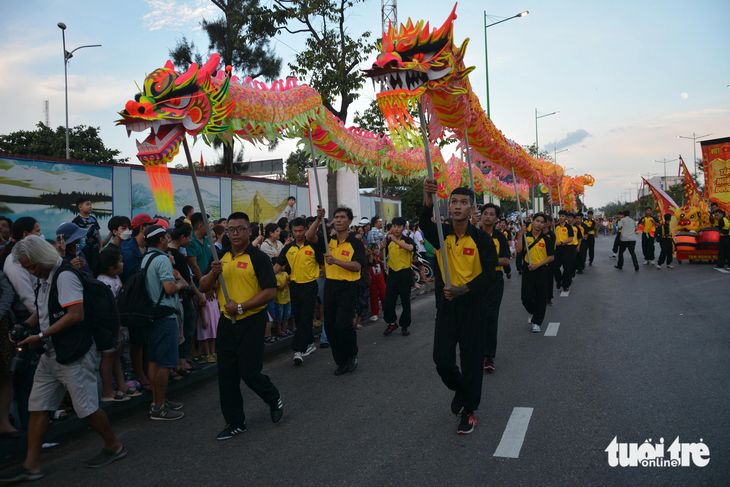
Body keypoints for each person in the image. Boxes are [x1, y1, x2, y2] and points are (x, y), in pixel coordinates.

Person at [1, 236, 126, 482]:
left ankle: (114, 446)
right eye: (26, 267)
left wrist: (40, 335)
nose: (30, 271)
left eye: (31, 265)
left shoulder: (65, 275)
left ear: (41, 258)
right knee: (38, 407)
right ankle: (32, 464)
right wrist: (25, 326)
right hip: (52, 352)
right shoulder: (47, 276)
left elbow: (75, 315)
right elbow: (43, 308)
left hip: (72, 352)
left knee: (87, 408)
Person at [421, 180, 497, 435]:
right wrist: (428, 197)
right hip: (447, 306)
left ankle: (469, 411)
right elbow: (423, 224)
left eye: (464, 202)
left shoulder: (482, 239)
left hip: (472, 306)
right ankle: (461, 389)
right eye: (453, 201)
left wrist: (464, 289)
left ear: (471, 210)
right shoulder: (442, 235)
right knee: (441, 360)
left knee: (472, 361)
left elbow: (489, 274)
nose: (457, 206)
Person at [199, 212, 283, 441]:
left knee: (249, 372)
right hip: (227, 324)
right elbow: (204, 286)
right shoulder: (221, 256)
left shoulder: (258, 258)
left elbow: (270, 292)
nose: (235, 233)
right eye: (231, 229)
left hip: (251, 321)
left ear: (249, 231)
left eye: (240, 229)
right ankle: (235, 421)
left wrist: (241, 307)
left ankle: (273, 396)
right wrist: (212, 272)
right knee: (226, 375)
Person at [307, 206, 365, 376]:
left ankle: (351, 354)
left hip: (348, 287)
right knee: (331, 327)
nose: (339, 220)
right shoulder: (328, 241)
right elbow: (309, 237)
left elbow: (357, 267)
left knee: (343, 325)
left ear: (349, 221)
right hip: (330, 286)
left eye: (342, 217)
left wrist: (336, 261)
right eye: (336, 217)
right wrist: (318, 219)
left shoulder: (356, 243)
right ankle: (341, 361)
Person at [140, 226, 188, 420]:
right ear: (161, 240)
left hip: (152, 314)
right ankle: (159, 407)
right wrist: (182, 284)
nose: (168, 238)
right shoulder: (162, 259)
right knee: (165, 364)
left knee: (154, 360)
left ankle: (157, 400)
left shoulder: (146, 258)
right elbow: (169, 288)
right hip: (165, 315)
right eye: (166, 236)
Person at [93, 249, 139, 402]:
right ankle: (107, 390)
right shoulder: (104, 282)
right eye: (119, 261)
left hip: (120, 326)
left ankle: (121, 385)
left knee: (116, 356)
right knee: (108, 356)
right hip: (110, 327)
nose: (122, 263)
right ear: (110, 267)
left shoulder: (114, 278)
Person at [119, 213, 158, 392]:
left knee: (146, 339)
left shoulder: (145, 249)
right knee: (138, 340)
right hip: (135, 302)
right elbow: (128, 281)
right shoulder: (128, 252)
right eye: (150, 225)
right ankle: (139, 374)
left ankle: (145, 371)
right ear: (143, 228)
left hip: (148, 300)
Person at [275, 218, 321, 365]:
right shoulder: (288, 248)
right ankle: (310, 343)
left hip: (310, 286)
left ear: (305, 230)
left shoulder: (313, 246)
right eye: (295, 231)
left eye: (301, 230)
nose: (298, 233)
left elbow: (323, 265)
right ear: (291, 231)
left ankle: (298, 350)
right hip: (294, 286)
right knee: (300, 317)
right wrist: (263, 280)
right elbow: (278, 265)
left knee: (307, 316)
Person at [167, 221, 206, 373]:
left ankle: (182, 360)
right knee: (186, 328)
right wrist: (199, 296)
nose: (190, 241)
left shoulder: (171, 253)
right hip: (183, 297)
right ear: (182, 237)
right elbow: (188, 280)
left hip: (179, 297)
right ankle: (182, 361)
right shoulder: (176, 255)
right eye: (189, 237)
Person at [479, 203, 510, 372]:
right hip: (475, 280)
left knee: (490, 317)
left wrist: (487, 262)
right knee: (475, 317)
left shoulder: (500, 237)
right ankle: (476, 351)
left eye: (492, 214)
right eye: (485, 213)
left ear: (497, 219)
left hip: (494, 280)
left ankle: (488, 355)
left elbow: (505, 260)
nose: (488, 216)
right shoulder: (473, 235)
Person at [515, 213, 554, 334]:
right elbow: (519, 250)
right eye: (537, 221)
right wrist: (520, 235)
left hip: (541, 269)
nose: (539, 224)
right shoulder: (525, 236)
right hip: (528, 269)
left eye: (542, 222)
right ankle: (534, 312)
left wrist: (538, 265)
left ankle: (537, 322)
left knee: (541, 297)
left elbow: (551, 257)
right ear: (532, 221)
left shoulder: (546, 239)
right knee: (525, 297)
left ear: (545, 224)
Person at [382, 217, 415, 337]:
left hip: (405, 274)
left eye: (399, 226)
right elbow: (382, 258)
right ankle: (391, 322)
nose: (396, 229)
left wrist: (395, 240)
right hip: (392, 274)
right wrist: (381, 248)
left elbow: (411, 248)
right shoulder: (389, 241)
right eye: (394, 226)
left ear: (404, 228)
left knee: (405, 300)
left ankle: (404, 326)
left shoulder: (408, 240)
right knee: (389, 300)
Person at [72, 197, 102, 262]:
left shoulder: (93, 219)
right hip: (84, 249)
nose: (90, 206)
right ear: (80, 207)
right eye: (87, 204)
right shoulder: (77, 221)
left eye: (90, 205)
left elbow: (97, 232)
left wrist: (101, 246)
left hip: (95, 248)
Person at [186, 213, 213, 285]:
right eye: (208, 224)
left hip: (211, 281)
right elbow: (193, 266)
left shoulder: (208, 239)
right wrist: (204, 284)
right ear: (200, 226)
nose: (210, 227)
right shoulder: (190, 241)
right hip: (199, 285)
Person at [552, 210, 575, 293]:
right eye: (560, 216)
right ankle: (559, 280)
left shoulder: (568, 227)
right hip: (557, 250)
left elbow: (571, 238)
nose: (561, 218)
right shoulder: (555, 227)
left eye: (562, 216)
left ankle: (565, 285)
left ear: (566, 217)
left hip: (566, 248)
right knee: (555, 266)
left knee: (567, 268)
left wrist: (561, 242)